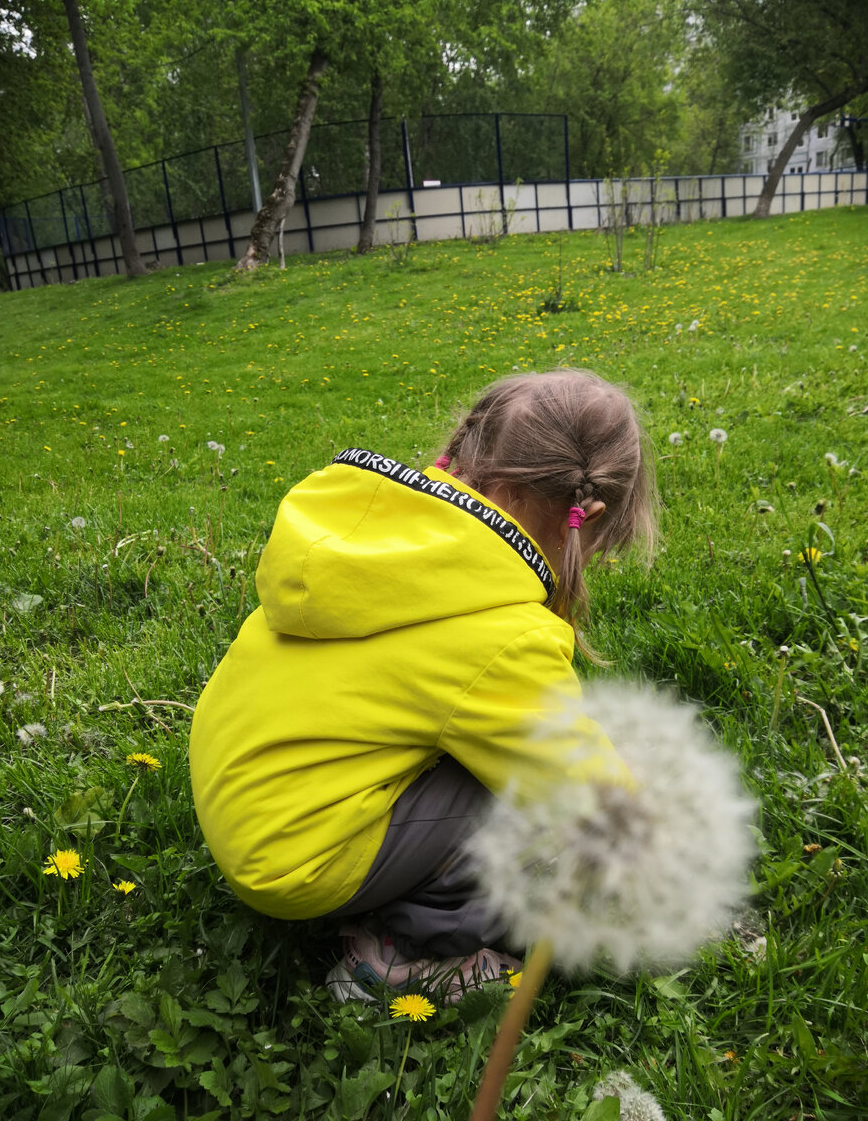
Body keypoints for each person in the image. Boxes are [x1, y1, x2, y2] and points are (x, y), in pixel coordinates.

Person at [189, 369, 658, 1004]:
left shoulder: (368, 528)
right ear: (590, 514)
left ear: (467, 447)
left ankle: (395, 878)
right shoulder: (501, 631)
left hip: (244, 795)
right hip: (296, 858)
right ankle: (400, 956)